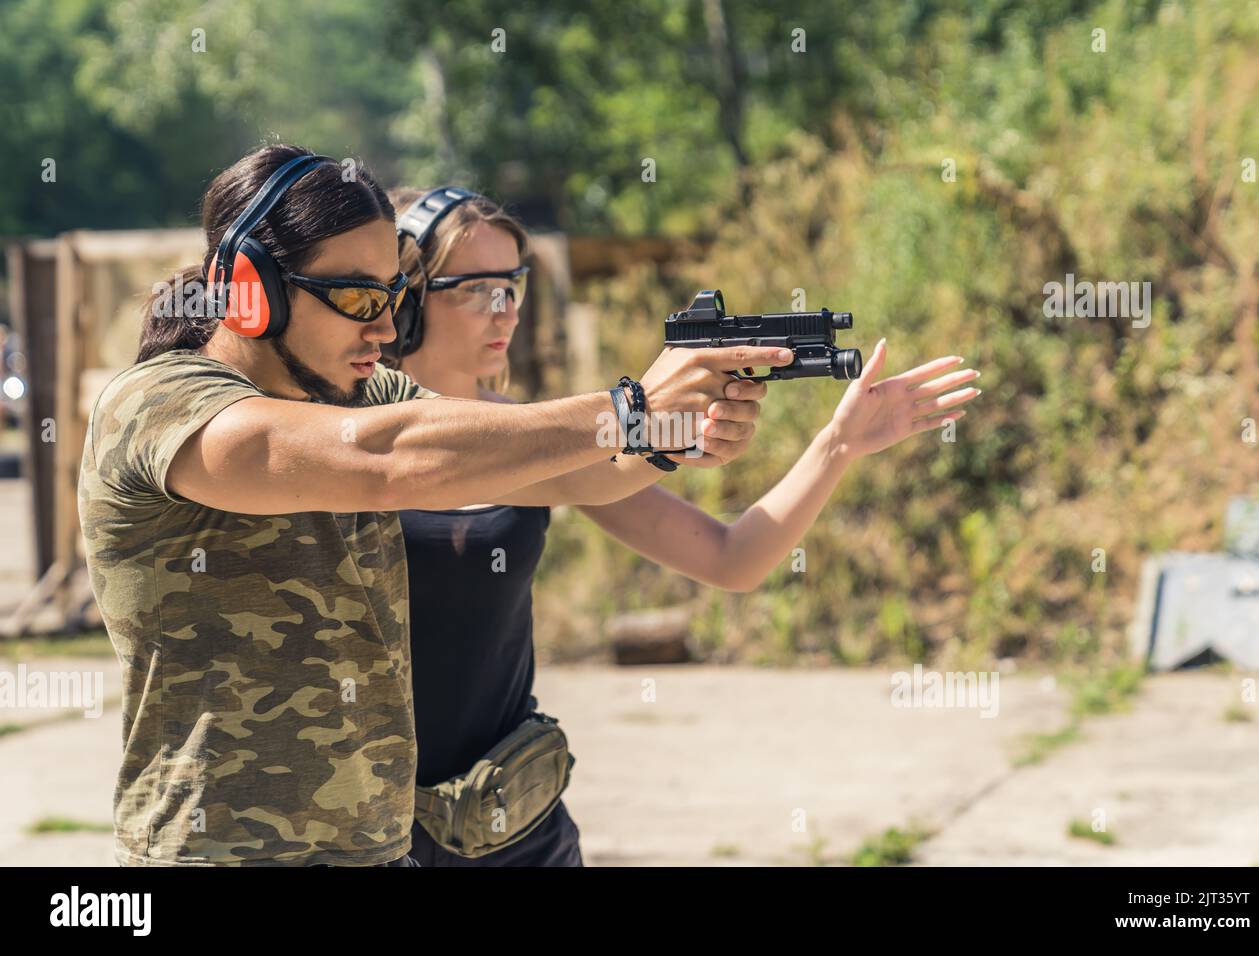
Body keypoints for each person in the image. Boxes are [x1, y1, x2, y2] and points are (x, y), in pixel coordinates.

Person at [76, 146, 783, 866]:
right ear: (252, 288)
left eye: (389, 297)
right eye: (355, 298)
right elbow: (384, 460)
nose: (383, 330)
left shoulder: (366, 393)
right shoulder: (159, 405)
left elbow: (563, 473)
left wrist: (671, 433)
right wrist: (630, 407)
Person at [385, 186, 982, 866]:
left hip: (513, 827)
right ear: (404, 301)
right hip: (371, 833)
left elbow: (733, 558)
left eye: (514, 285)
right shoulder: (345, 444)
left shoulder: (545, 438)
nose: (508, 310)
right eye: (478, 289)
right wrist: (648, 424)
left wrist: (836, 445)